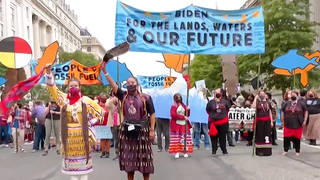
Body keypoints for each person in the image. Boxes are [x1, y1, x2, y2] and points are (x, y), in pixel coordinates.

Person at [45, 64, 105, 180]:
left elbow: (101, 112)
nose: (73, 87)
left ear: (79, 87)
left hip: (82, 137)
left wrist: (91, 122)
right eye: (71, 86)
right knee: (72, 171)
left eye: (76, 86)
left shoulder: (85, 100)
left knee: (84, 169)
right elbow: (53, 89)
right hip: (68, 137)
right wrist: (48, 73)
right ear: (68, 88)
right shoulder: (64, 99)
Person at [101, 61, 156, 180]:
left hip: (142, 131)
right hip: (126, 132)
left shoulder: (146, 97)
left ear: (137, 84)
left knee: (144, 161)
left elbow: (152, 114)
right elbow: (113, 85)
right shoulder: (123, 95)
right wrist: (105, 72)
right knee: (129, 162)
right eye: (128, 82)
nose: (130, 84)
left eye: (132, 82)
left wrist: (152, 130)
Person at [281, 91, 308, 156]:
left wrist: (305, 120)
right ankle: (285, 150)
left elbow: (306, 111)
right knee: (286, 138)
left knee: (297, 138)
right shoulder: (286, 103)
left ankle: (297, 151)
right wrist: (282, 120)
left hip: (298, 123)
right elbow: (282, 111)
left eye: (294, 95)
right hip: (288, 123)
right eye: (291, 95)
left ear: (297, 96)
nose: (292, 96)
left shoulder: (301, 103)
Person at [206, 88, 231, 155]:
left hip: (223, 122)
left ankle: (224, 150)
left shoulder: (225, 101)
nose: (216, 93)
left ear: (221, 93)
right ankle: (214, 149)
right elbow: (208, 110)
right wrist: (214, 116)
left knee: (222, 137)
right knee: (213, 137)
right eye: (215, 92)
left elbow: (228, 109)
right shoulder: (211, 102)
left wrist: (221, 115)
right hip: (213, 123)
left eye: (217, 92)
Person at [169, 93, 193, 158]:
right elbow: (173, 115)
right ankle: (177, 152)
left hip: (184, 125)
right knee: (177, 138)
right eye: (177, 97)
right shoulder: (173, 106)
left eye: (180, 97)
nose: (179, 98)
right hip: (176, 125)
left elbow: (187, 115)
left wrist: (188, 109)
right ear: (175, 98)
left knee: (184, 138)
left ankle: (185, 151)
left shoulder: (184, 105)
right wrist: (182, 117)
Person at [252, 90, 273, 156]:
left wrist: (271, 121)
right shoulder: (258, 102)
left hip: (267, 121)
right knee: (260, 135)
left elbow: (270, 112)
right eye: (260, 94)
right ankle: (259, 151)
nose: (262, 95)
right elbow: (253, 107)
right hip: (259, 122)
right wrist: (256, 98)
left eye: (263, 94)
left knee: (267, 136)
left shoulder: (268, 102)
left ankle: (267, 151)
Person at [96, 93, 112, 158]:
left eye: (105, 97)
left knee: (107, 139)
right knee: (102, 139)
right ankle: (103, 152)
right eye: (102, 97)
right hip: (101, 123)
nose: (103, 98)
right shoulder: (98, 106)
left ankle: (107, 152)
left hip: (108, 123)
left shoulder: (108, 105)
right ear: (100, 98)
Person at [106, 94, 120, 158]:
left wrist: (118, 99)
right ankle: (117, 153)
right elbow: (107, 105)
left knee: (121, 139)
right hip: (113, 123)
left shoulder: (121, 100)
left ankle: (122, 152)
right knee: (115, 139)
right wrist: (112, 100)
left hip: (120, 123)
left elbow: (123, 106)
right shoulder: (109, 101)